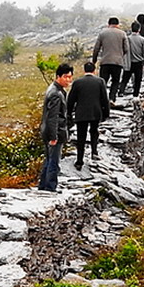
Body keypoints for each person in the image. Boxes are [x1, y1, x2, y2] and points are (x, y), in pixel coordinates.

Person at [66, 61, 109, 170]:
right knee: (94, 131)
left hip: (81, 113)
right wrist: (106, 113)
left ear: (84, 70)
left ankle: (79, 160)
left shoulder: (77, 82)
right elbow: (105, 99)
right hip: (95, 112)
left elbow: (71, 100)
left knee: (81, 136)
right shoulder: (100, 81)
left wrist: (69, 113)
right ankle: (94, 152)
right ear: (94, 70)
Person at [38, 62, 73, 191]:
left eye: (70, 77)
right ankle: (50, 187)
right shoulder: (56, 94)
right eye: (66, 77)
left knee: (48, 160)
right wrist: (54, 136)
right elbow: (53, 117)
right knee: (53, 162)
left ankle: (43, 185)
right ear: (58, 76)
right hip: (54, 132)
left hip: (48, 130)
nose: (68, 80)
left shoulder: (53, 89)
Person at [91, 17, 128, 105]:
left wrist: (94, 60)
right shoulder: (122, 34)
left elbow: (96, 48)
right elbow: (126, 48)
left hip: (105, 61)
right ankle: (112, 98)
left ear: (108, 24)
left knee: (103, 81)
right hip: (117, 62)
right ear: (118, 25)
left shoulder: (102, 33)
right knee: (115, 81)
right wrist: (120, 55)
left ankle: (101, 100)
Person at [124, 22, 144, 98]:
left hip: (129, 62)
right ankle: (136, 95)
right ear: (139, 29)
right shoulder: (142, 39)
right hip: (139, 62)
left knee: (125, 78)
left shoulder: (128, 38)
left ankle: (121, 91)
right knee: (138, 80)